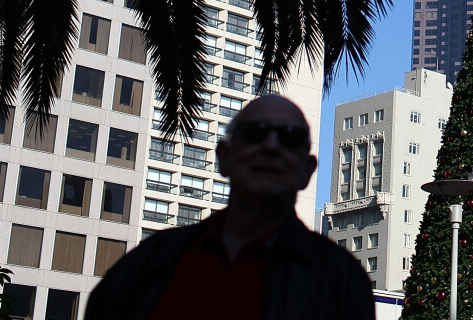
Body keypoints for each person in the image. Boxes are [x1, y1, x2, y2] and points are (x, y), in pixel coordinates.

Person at [87, 94, 374, 320]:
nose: (271, 146)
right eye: (254, 133)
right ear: (224, 157)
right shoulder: (150, 264)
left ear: (307, 170)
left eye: (290, 137)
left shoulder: (340, 281)